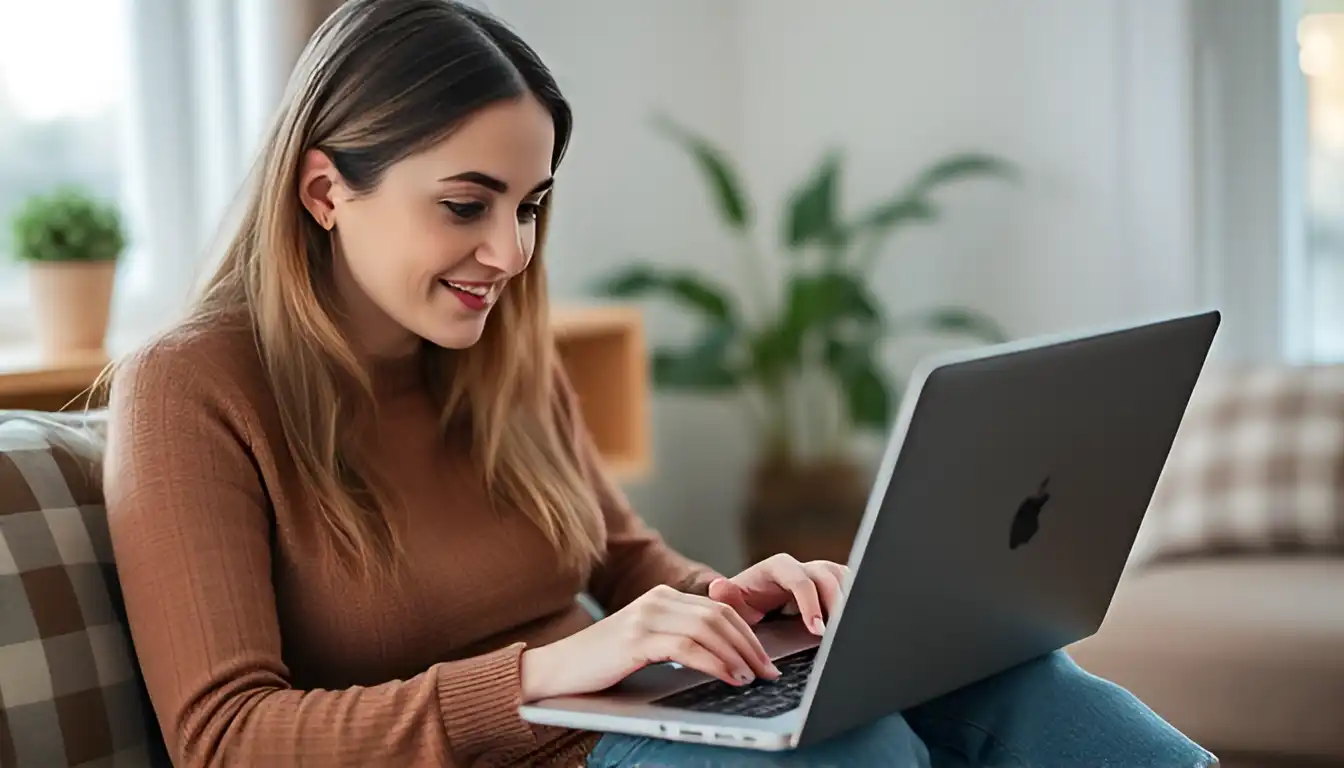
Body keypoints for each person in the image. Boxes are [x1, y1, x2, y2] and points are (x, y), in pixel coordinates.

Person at [102, 1, 1217, 766]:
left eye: (531, 205)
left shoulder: (501, 360)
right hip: (536, 749)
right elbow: (227, 738)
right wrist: (543, 675)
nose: (512, 251)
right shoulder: (192, 390)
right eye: (466, 204)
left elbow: (634, 567)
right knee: (857, 745)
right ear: (323, 189)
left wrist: (751, 605)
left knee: (1032, 690)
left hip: (630, 721)